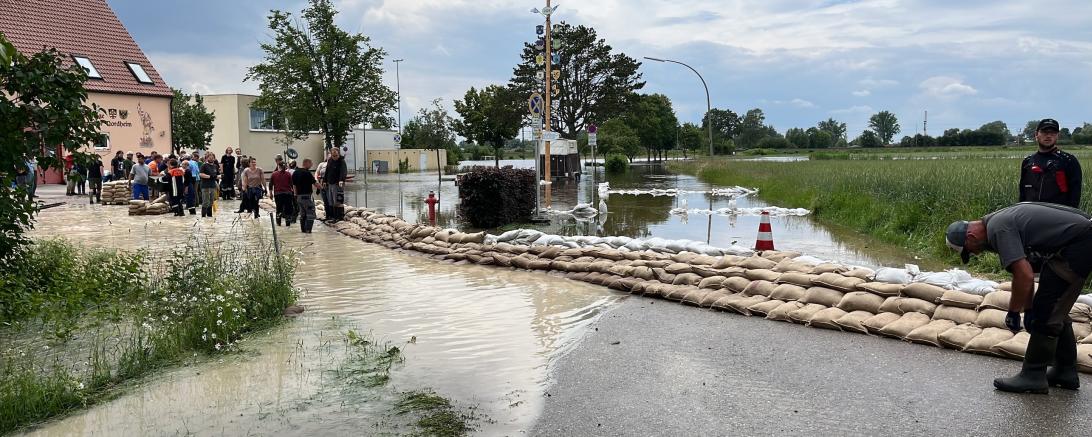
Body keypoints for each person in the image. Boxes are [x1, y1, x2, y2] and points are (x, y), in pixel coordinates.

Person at [946, 202, 1092, 394]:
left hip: (1080, 243)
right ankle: (1065, 372)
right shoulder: (997, 222)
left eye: (968, 250)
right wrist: (1029, 309)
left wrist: (1014, 313)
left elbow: (1024, 275)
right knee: (1052, 306)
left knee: (1049, 310)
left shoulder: (998, 230)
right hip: (1074, 242)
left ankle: (1033, 375)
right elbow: (1025, 270)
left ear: (971, 237)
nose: (974, 253)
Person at [1019, 119, 1082, 208]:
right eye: (1044, 132)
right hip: (1031, 215)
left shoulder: (1068, 161)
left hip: (1058, 216)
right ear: (1036, 134)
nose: (1048, 136)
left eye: (1053, 133)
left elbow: (1075, 197)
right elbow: (1022, 194)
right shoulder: (1028, 162)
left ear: (1057, 136)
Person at [292, 159, 319, 233]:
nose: (311, 166)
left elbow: (294, 185)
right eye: (311, 164)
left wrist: (295, 195)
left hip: (299, 197)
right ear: (307, 163)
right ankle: (308, 231)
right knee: (310, 213)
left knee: (302, 214)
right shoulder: (307, 173)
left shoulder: (295, 172)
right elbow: (315, 183)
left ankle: (303, 231)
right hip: (307, 196)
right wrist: (322, 188)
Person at [321, 147, 348, 222]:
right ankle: (332, 216)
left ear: (339, 154)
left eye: (336, 155)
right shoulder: (330, 161)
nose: (334, 157)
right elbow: (327, 171)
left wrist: (341, 180)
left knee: (338, 201)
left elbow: (343, 172)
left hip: (338, 184)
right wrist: (324, 181)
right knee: (331, 201)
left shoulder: (341, 161)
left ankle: (339, 217)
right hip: (330, 183)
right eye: (333, 155)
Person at [199, 153, 220, 217]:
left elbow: (218, 175)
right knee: (206, 201)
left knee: (211, 201)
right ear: (207, 158)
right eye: (210, 157)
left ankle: (209, 216)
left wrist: (218, 177)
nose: (211, 159)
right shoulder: (204, 165)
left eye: (212, 157)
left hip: (213, 185)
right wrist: (210, 176)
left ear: (214, 158)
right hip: (205, 186)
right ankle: (203, 216)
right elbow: (201, 174)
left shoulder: (215, 166)